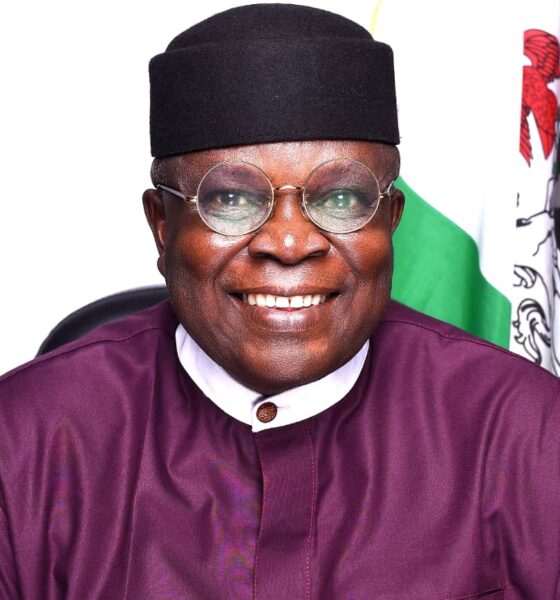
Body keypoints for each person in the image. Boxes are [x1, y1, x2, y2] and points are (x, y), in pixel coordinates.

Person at [0, 4, 559, 599]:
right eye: (231, 200)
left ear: (391, 220)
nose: (289, 244)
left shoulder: (527, 431)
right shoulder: (27, 437)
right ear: (162, 226)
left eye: (341, 199)